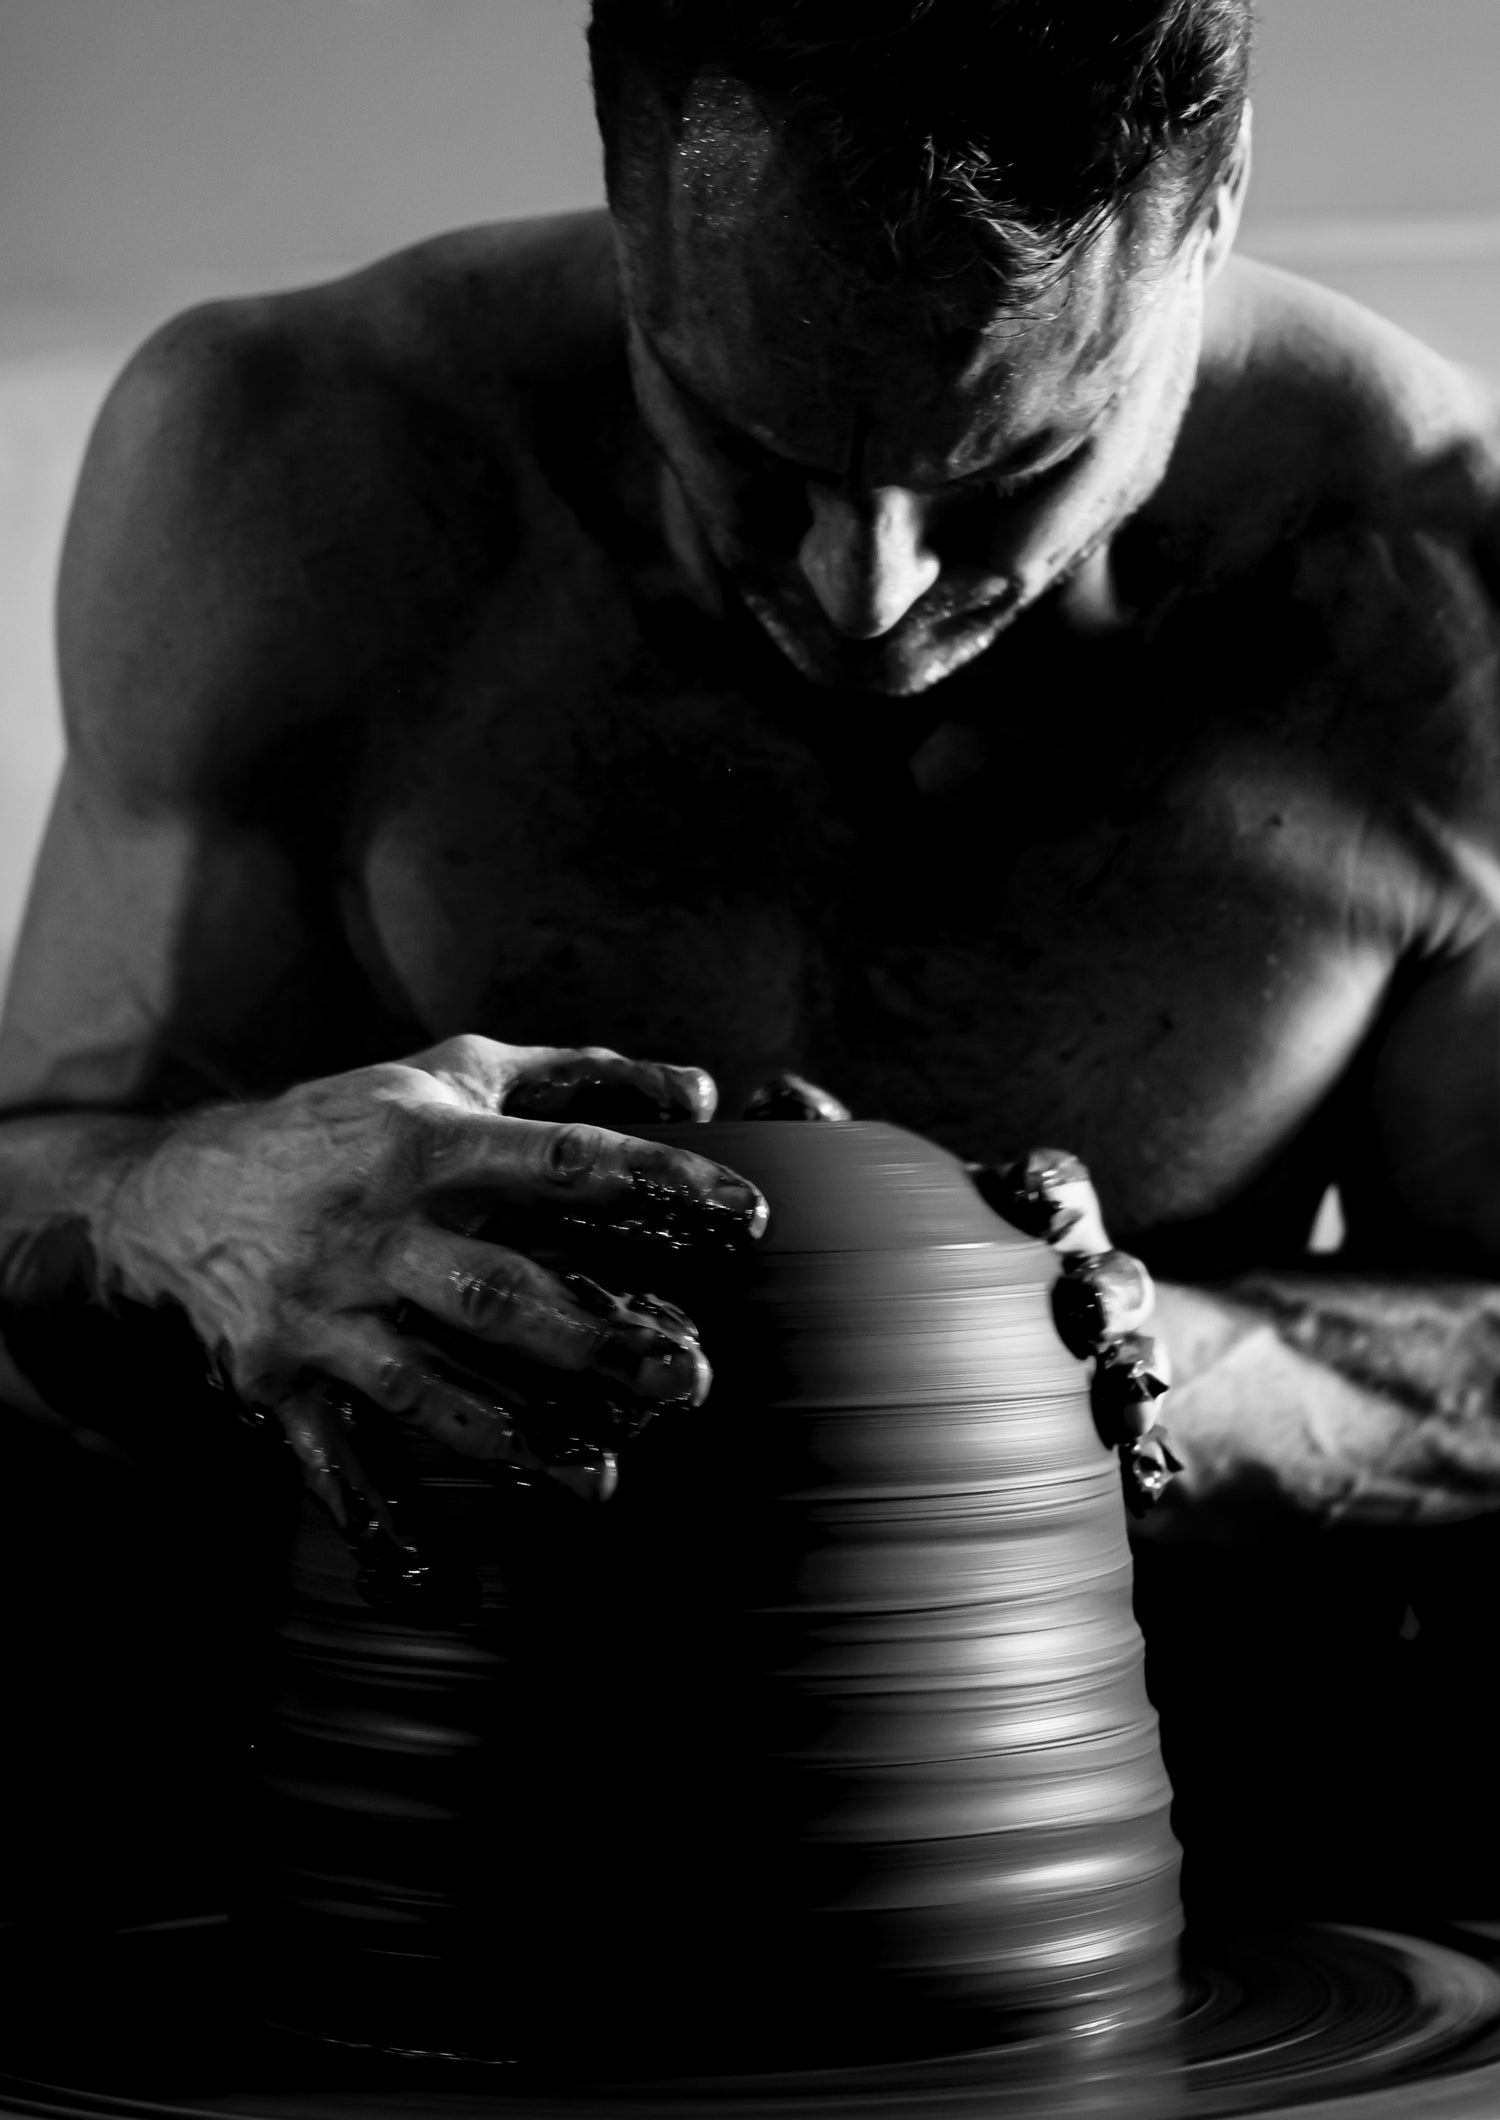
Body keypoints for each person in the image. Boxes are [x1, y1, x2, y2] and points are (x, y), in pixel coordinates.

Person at [3, 0, 1500, 1927]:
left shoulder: (1441, 584)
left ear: (1207, 229)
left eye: (1001, 471)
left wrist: (1143, 1373)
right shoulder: (291, 466)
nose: (856, 586)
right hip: (433, 1855)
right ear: (634, 220)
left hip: (1074, 1883)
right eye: (746, 439)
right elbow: (29, 1213)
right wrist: (179, 1205)